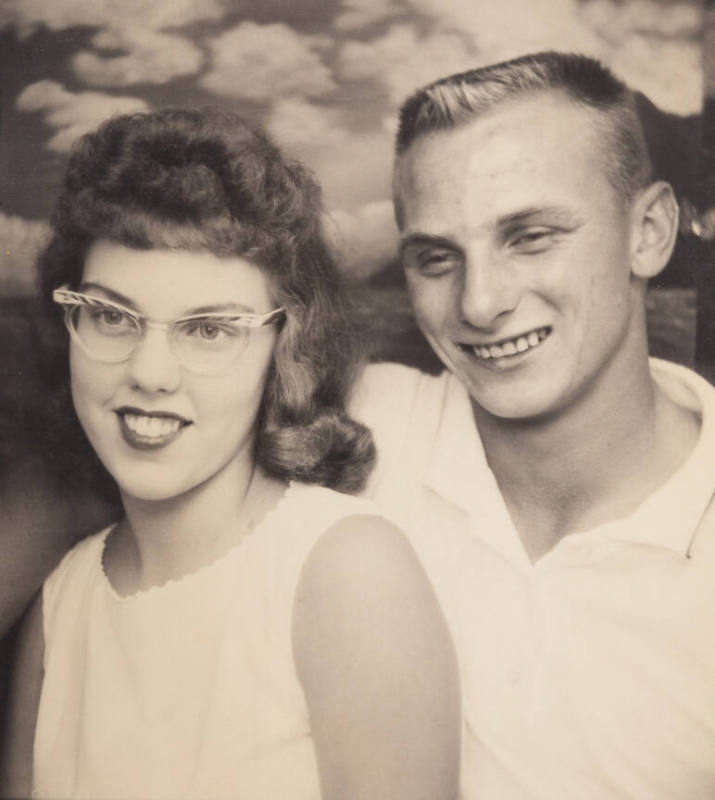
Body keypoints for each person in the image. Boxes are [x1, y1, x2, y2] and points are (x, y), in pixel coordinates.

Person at [0, 108, 460, 800]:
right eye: (112, 316)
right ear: (69, 321)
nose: (150, 372)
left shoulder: (346, 573)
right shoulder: (63, 602)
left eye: (209, 329)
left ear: (286, 346)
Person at [349, 52, 715, 799]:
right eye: (435, 257)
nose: (479, 303)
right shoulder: (364, 430)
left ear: (648, 231)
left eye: (531, 236)